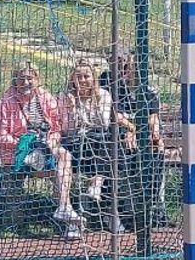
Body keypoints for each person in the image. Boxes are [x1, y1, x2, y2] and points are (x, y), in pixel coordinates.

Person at [0, 63, 80, 238]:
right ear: (15, 80)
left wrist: (51, 141)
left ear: (37, 79)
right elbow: (0, 136)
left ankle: (64, 209)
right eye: (21, 78)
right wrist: (24, 144)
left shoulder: (45, 98)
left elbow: (56, 127)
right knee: (57, 170)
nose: (25, 82)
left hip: (44, 150)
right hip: (17, 155)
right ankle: (19, 225)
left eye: (29, 78)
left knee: (63, 157)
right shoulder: (5, 102)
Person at [58, 60, 126, 233]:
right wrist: (72, 108)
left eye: (86, 76)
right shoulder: (65, 96)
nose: (82, 80)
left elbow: (103, 123)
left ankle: (106, 202)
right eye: (78, 77)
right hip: (75, 145)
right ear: (72, 79)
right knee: (103, 148)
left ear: (93, 78)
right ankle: (75, 218)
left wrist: (95, 103)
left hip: (98, 143)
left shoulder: (103, 95)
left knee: (111, 145)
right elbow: (67, 129)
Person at [102, 45, 166, 228]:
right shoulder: (113, 86)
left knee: (157, 151)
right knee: (126, 154)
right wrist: (134, 130)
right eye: (129, 68)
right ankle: (125, 210)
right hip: (120, 136)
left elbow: (153, 117)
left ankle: (153, 206)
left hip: (141, 136)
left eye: (136, 69)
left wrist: (153, 134)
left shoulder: (148, 91)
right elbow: (116, 116)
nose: (131, 72)